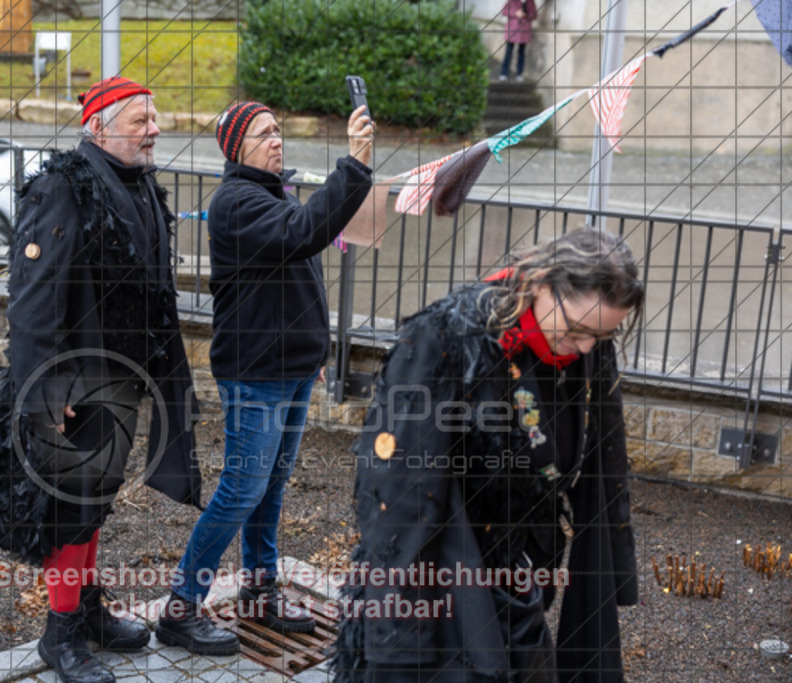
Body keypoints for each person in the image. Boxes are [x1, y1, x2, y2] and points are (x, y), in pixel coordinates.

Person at [333, 228, 643, 682]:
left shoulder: (586, 335)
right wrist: (399, 624)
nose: (586, 348)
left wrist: (606, 561)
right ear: (541, 283)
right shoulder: (448, 336)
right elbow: (397, 488)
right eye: (578, 331)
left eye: (601, 335)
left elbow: (603, 451)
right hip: (436, 575)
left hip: (520, 571)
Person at [0, 76, 202, 683]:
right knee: (68, 511)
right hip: (74, 389)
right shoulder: (62, 187)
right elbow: (32, 298)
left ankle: (86, 610)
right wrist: (46, 392)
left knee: (93, 505)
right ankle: (61, 634)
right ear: (99, 127)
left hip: (123, 380)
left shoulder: (142, 186)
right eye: (140, 120)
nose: (154, 129)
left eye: (154, 118)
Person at [155, 100, 375, 655]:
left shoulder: (275, 192)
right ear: (236, 149)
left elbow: (301, 275)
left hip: (293, 367)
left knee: (270, 488)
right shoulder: (235, 201)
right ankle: (180, 610)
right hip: (256, 373)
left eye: (278, 130)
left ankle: (259, 591)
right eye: (262, 134)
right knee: (241, 490)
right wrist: (354, 165)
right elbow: (304, 233)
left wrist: (313, 347)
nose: (276, 140)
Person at [500, 0, 538, 81]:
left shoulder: (530, 2)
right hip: (512, 29)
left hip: (524, 31)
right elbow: (504, 11)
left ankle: (519, 74)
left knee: (522, 53)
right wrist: (515, 13)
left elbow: (534, 15)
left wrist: (526, 14)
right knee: (509, 52)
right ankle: (504, 73)